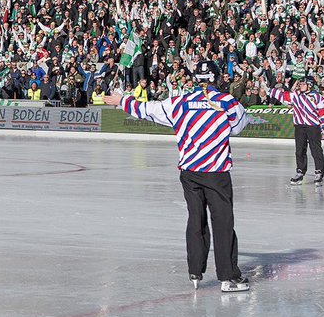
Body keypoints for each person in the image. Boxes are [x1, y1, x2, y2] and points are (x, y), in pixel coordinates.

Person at [105, 60, 251, 292]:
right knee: (222, 223)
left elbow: (147, 110)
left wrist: (122, 100)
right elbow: (239, 126)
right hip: (216, 172)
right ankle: (228, 277)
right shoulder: (227, 102)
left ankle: (195, 272)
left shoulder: (179, 102)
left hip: (190, 172)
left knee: (196, 219)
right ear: (217, 78)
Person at [269, 76, 324, 186]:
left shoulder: (317, 97)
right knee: (299, 150)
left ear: (310, 85)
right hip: (299, 126)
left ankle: (319, 171)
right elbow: (283, 96)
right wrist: (270, 89)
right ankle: (300, 171)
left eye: (303, 84)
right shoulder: (296, 95)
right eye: (300, 84)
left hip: (313, 126)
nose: (300, 86)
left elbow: (323, 111)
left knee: (315, 149)